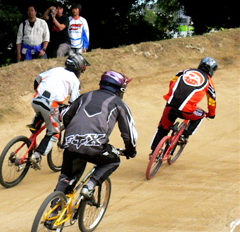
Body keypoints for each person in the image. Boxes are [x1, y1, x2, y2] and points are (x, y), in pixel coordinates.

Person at [54, 70, 137, 200]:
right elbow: (128, 132)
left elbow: (65, 115)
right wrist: (130, 150)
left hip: (71, 143)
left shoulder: (85, 96)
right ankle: (89, 187)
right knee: (113, 161)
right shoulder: (119, 103)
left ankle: (53, 208)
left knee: (66, 177)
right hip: (95, 147)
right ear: (118, 89)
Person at [28, 53, 90, 170]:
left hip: (36, 99)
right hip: (51, 105)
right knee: (54, 133)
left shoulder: (56, 70)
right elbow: (74, 101)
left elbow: (38, 79)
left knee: (43, 114)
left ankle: (34, 127)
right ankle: (37, 155)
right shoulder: (74, 80)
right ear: (78, 67)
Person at [150, 57, 217, 152]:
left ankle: (154, 151)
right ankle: (184, 135)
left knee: (163, 128)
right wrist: (211, 114)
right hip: (187, 110)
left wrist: (171, 95)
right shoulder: (209, 82)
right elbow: (212, 101)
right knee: (201, 115)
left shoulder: (185, 71)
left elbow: (173, 81)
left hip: (170, 104)